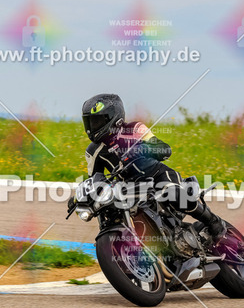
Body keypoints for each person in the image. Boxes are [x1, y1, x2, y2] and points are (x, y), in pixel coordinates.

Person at [79, 93, 227, 243]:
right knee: (108, 207)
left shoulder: (134, 129)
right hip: (130, 189)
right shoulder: (93, 151)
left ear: (113, 117)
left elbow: (164, 149)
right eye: (89, 122)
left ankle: (213, 221)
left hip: (158, 175)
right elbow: (95, 181)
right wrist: (81, 197)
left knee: (171, 192)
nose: (92, 127)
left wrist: (143, 149)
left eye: (96, 121)